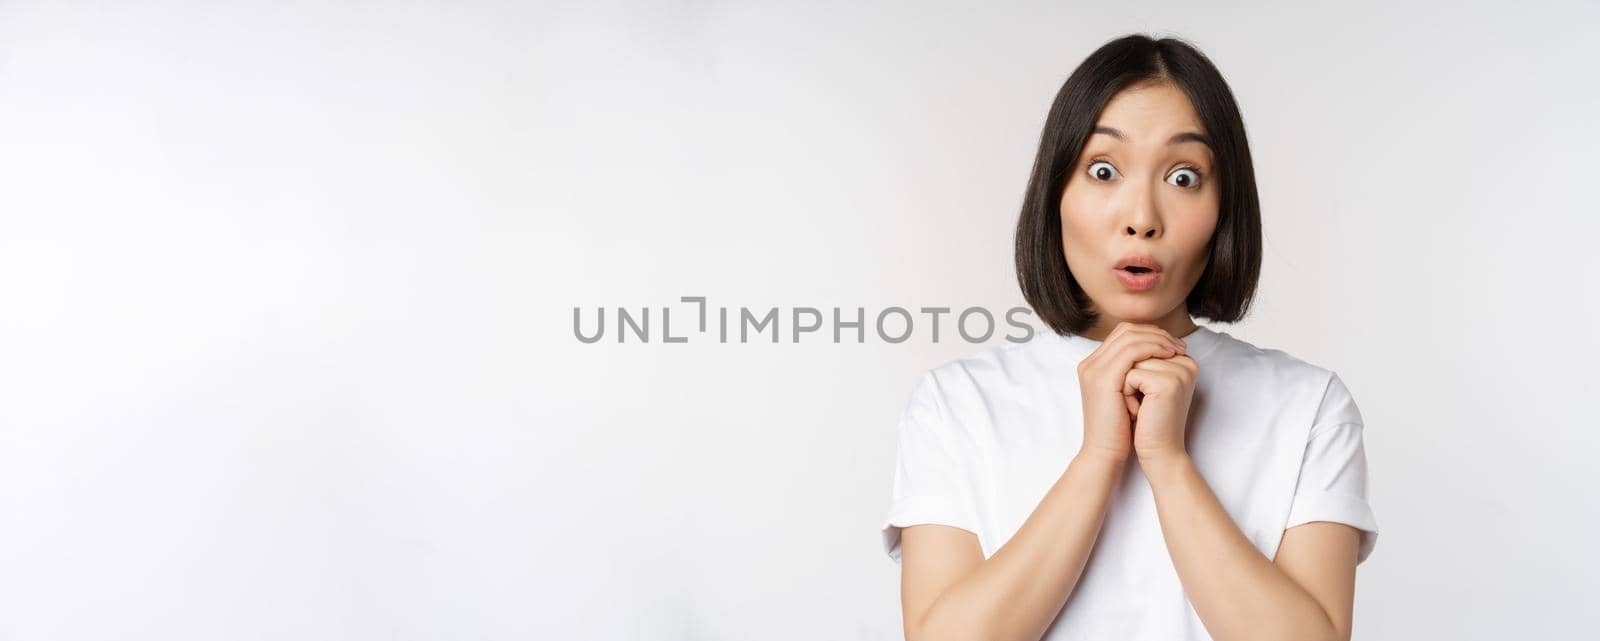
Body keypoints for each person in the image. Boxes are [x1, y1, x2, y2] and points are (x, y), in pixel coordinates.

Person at [879, 33, 1379, 641]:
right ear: (1055, 193)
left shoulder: (1309, 407)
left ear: (1225, 208)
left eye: (1185, 177)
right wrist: (1099, 458)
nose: (1141, 216)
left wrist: (1169, 463)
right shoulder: (956, 405)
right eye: (1104, 170)